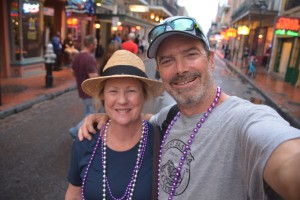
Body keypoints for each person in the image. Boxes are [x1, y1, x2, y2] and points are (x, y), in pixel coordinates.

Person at [78, 16, 300, 199]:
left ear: (211, 60)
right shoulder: (167, 118)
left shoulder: (246, 120)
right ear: (159, 71)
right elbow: (141, 118)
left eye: (191, 54)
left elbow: (288, 161)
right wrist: (107, 117)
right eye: (167, 61)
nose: (180, 69)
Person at [65, 50, 165, 199]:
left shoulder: (161, 141)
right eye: (113, 91)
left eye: (131, 90)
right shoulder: (86, 140)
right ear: (103, 95)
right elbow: (74, 194)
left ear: (144, 96)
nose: (122, 100)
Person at [69, 35, 99, 138]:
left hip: (81, 90)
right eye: (95, 43)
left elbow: (72, 72)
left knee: (89, 111)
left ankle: (87, 129)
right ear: (91, 45)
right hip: (89, 92)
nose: (96, 45)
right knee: (91, 114)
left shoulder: (78, 56)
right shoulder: (89, 58)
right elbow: (93, 77)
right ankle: (76, 130)